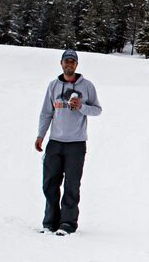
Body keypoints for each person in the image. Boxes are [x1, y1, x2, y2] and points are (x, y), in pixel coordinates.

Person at [35, 49, 102, 235]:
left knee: (72, 184)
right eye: (66, 61)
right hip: (55, 141)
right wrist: (41, 135)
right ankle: (49, 222)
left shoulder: (87, 86)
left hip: (76, 143)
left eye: (72, 62)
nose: (69, 64)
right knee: (49, 183)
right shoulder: (53, 86)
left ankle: (68, 224)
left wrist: (81, 107)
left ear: (77, 65)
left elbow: (97, 110)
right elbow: (46, 113)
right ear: (61, 63)